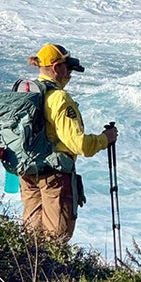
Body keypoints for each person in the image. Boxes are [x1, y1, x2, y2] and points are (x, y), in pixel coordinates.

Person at [21, 43, 117, 243]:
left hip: (27, 173)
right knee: (56, 238)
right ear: (57, 68)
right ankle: (54, 274)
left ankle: (29, 272)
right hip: (54, 177)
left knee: (32, 238)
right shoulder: (59, 99)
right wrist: (105, 139)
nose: (70, 74)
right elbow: (79, 144)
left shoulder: (28, 92)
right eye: (67, 68)